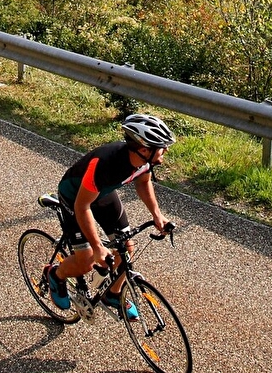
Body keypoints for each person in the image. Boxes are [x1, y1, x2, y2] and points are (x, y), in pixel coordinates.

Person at [45, 113, 176, 320]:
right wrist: (97, 247)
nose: (166, 150)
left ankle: (112, 294)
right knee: (87, 260)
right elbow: (82, 206)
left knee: (126, 248)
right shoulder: (106, 165)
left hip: (102, 193)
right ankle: (55, 275)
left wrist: (157, 216)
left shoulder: (145, 160)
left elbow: (143, 183)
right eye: (162, 146)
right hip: (75, 197)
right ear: (144, 149)